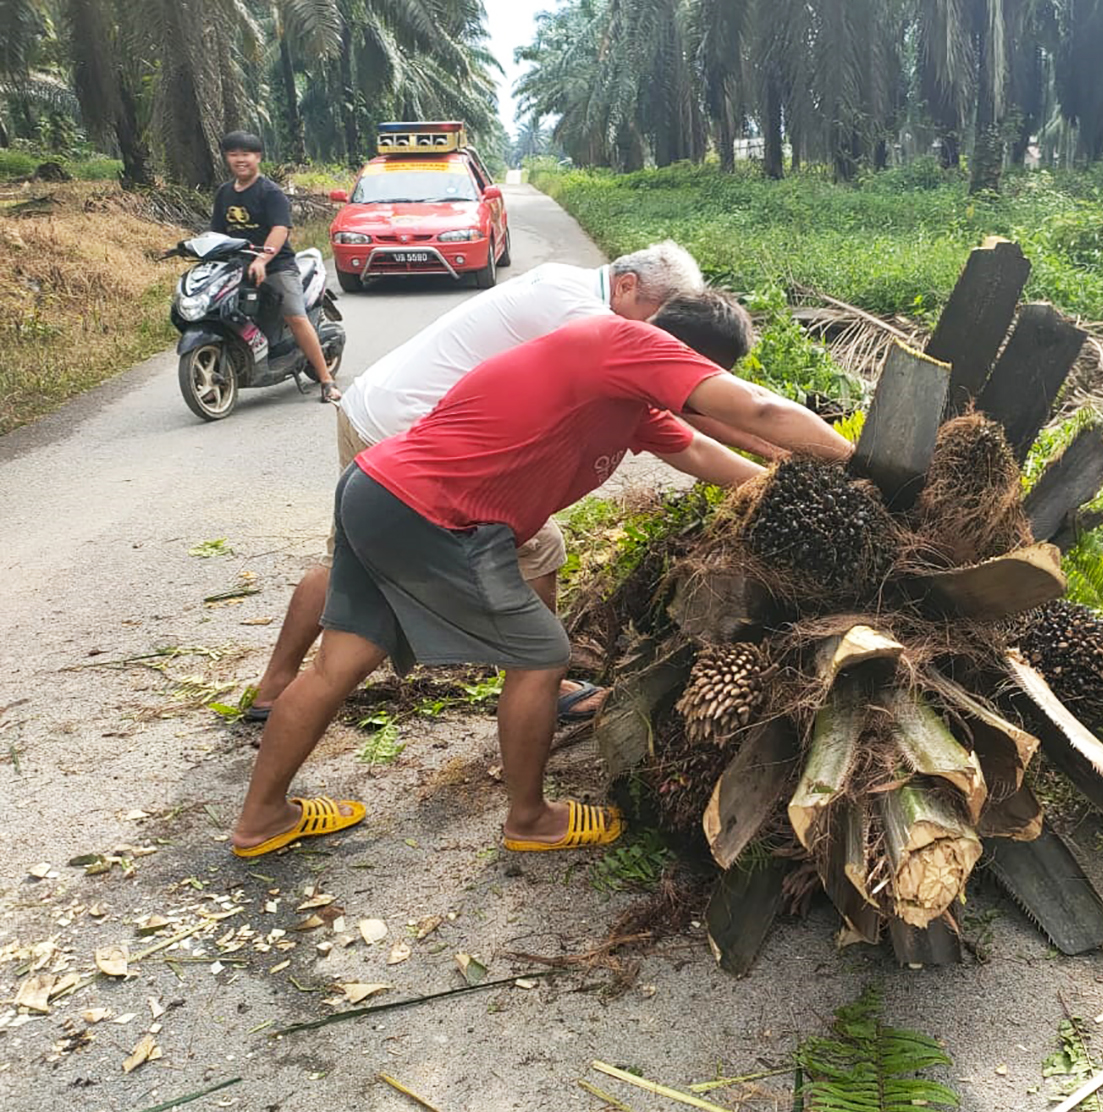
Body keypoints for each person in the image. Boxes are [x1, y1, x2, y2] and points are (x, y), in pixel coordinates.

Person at [229, 292, 852, 859]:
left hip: (378, 489)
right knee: (541, 655)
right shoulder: (631, 344)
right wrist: (860, 467)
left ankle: (262, 818)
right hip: (437, 512)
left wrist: (773, 488)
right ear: (687, 357)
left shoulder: (625, 390)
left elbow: (692, 450)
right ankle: (530, 817)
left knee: (338, 664)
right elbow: (760, 410)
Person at [243, 242, 769, 724]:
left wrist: (774, 458)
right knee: (527, 548)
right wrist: (781, 456)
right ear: (627, 286)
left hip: (383, 409)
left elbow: (681, 411)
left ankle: (278, 685)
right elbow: (689, 403)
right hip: (408, 432)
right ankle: (536, 675)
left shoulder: (569, 284)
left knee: (357, 559)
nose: (660, 337)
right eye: (657, 321)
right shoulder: (593, 320)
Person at [212, 131, 339, 404]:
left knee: (295, 315)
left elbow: (280, 229)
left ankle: (326, 380)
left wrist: (262, 260)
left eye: (245, 154)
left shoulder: (270, 193)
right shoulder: (224, 193)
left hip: (277, 266)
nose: (240, 159)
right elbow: (217, 234)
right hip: (238, 267)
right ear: (226, 158)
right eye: (233, 154)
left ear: (257, 157)